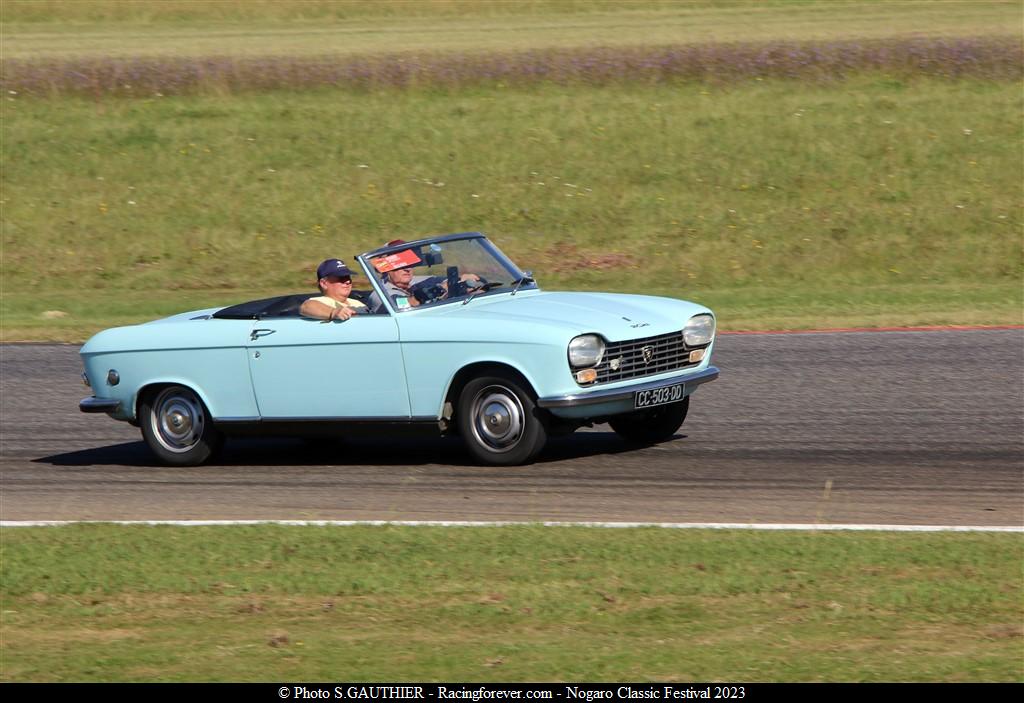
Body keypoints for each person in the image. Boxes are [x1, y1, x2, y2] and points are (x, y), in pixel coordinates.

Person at [369, 239, 479, 311]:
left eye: (409, 262)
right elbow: (405, 305)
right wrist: (443, 287)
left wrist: (464, 279)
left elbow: (448, 280)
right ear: (386, 269)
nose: (407, 268)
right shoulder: (380, 294)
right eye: (399, 264)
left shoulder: (416, 281)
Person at [299, 258, 367, 321]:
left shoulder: (357, 303)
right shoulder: (322, 301)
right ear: (324, 283)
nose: (348, 281)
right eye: (341, 278)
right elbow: (306, 307)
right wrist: (334, 312)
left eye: (348, 277)